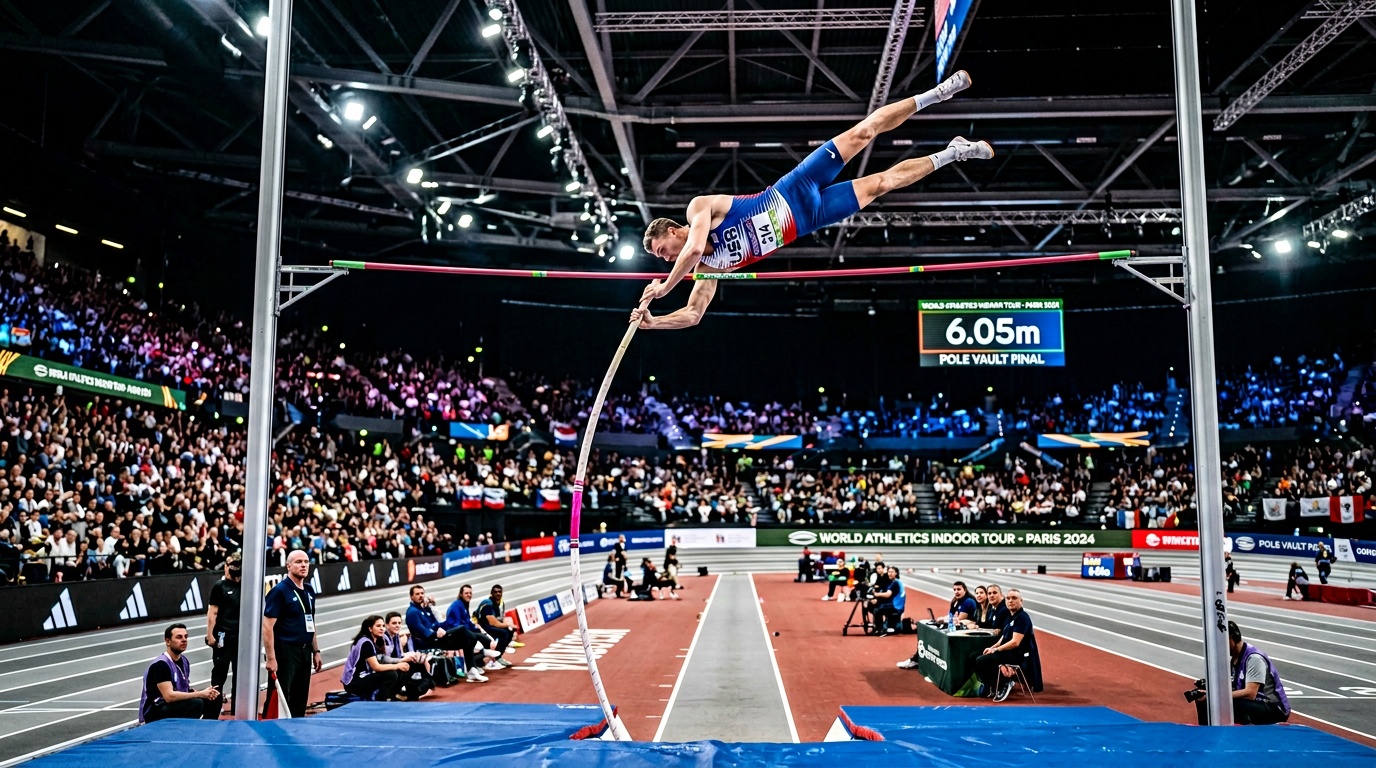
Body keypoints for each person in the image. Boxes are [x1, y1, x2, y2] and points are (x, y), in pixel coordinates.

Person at [633, 70, 989, 330]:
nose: (664, 257)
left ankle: (937, 94)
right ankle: (953, 153)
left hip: (794, 187)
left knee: (863, 132)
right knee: (882, 184)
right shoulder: (709, 269)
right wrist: (654, 322)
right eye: (660, 258)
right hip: (810, 218)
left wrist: (664, 287)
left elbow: (693, 248)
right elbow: (694, 314)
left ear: (672, 230)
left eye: (661, 249)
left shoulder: (698, 210)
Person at [1191, 621, 1290, 726]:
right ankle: (1207, 731)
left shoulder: (1254, 659)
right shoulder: (1234, 659)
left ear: (1230, 639)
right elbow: (1232, 687)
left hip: (1274, 708)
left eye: (1221, 643)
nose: (1219, 648)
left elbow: (1250, 693)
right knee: (1204, 699)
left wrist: (1215, 695)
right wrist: (1208, 687)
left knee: (1222, 703)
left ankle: (1216, 731)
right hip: (1257, 703)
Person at [262, 549, 321, 717]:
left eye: (306, 562)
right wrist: (271, 658)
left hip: (305, 651)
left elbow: (310, 622)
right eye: (298, 562)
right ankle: (271, 726)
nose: (303, 565)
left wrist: (316, 651)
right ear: (288, 566)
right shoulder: (280, 591)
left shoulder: (309, 590)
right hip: (286, 651)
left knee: (300, 695)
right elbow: (267, 626)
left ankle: (296, 725)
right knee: (280, 695)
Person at [139, 623, 221, 723]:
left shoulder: (184, 661)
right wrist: (200, 694)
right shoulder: (161, 665)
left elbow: (185, 688)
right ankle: (182, 729)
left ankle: (205, 729)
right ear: (168, 641)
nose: (184, 640)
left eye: (186, 636)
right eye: (179, 637)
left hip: (174, 704)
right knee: (196, 703)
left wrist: (207, 693)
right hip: (157, 709)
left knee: (214, 699)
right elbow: (169, 696)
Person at [407, 584, 487, 683]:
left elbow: (436, 624)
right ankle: (485, 648)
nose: (421, 596)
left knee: (468, 640)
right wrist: (436, 633)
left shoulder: (424, 609)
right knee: (462, 629)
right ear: (411, 597)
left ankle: (472, 670)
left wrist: (443, 621)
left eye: (422, 593)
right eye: (417, 594)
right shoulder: (412, 612)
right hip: (428, 643)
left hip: (436, 639)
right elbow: (422, 630)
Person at [973, 589, 1041, 702]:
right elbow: (1003, 638)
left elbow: (1015, 642)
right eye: (1008, 598)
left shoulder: (1022, 617)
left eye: (1014, 598)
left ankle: (1002, 684)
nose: (1010, 601)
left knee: (981, 660)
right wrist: (992, 648)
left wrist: (996, 651)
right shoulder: (1010, 616)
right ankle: (990, 684)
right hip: (1007, 652)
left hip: (1017, 655)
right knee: (974, 656)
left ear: (1021, 601)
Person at [204, 552, 241, 711]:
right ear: (225, 566)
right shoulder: (220, 586)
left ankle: (238, 707)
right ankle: (214, 706)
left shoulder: (246, 585)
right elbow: (212, 612)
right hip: (223, 636)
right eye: (230, 565)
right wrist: (210, 634)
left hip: (240, 637)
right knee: (220, 671)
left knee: (240, 673)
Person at [340, 615, 406, 702]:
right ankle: (379, 700)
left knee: (397, 671)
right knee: (392, 674)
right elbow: (376, 667)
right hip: (354, 682)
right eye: (378, 626)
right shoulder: (366, 643)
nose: (382, 628)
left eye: (383, 626)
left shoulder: (374, 641)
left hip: (363, 677)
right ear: (370, 629)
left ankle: (390, 696)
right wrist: (397, 666)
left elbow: (382, 659)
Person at [443, 584, 506, 673]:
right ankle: (482, 655)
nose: (469, 595)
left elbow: (467, 621)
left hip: (464, 631)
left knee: (484, 638)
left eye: (470, 593)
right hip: (455, 634)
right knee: (478, 640)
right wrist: (471, 631)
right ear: (461, 594)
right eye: (466, 593)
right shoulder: (457, 605)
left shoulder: (464, 604)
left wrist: (477, 629)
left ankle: (477, 664)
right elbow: (456, 625)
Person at [381, 612, 434, 700]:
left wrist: (413, 656)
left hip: (396, 663)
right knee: (405, 667)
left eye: (399, 623)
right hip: (387, 668)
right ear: (387, 625)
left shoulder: (396, 636)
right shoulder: (383, 638)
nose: (397, 625)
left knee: (419, 662)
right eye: (394, 623)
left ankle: (424, 686)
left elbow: (400, 655)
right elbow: (385, 659)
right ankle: (401, 693)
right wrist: (402, 660)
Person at [475, 584, 525, 652]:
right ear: (491, 593)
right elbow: (493, 623)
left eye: (499, 592)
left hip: (491, 624)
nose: (498, 593)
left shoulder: (501, 603)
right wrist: (508, 625)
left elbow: (501, 618)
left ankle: (503, 647)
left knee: (510, 631)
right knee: (504, 633)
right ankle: (498, 652)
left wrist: (510, 626)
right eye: (495, 592)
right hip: (483, 625)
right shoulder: (488, 604)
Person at [868, 566, 905, 634]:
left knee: (877, 610)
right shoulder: (896, 582)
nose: (890, 574)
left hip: (895, 607)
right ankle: (883, 625)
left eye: (892, 572)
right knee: (878, 605)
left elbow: (888, 594)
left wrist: (875, 594)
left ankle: (879, 629)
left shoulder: (895, 583)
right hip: (895, 605)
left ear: (896, 573)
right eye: (889, 572)